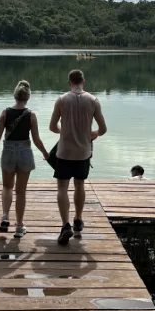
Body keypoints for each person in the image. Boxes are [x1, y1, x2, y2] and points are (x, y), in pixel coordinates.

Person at [49, 69, 107, 245]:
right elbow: (103, 129)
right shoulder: (93, 101)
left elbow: (52, 127)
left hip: (64, 151)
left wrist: (64, 131)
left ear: (69, 83)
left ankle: (65, 224)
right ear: (84, 82)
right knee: (80, 185)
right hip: (83, 152)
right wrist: (93, 134)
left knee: (62, 188)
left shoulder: (61, 100)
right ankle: (78, 219)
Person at [0, 80, 49, 238]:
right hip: (24, 151)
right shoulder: (31, 115)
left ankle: (5, 217)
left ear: (15, 96)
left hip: (8, 150)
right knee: (21, 192)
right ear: (28, 97)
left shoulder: (5, 113)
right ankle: (19, 227)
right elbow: (36, 139)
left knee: (7, 187)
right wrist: (45, 153)